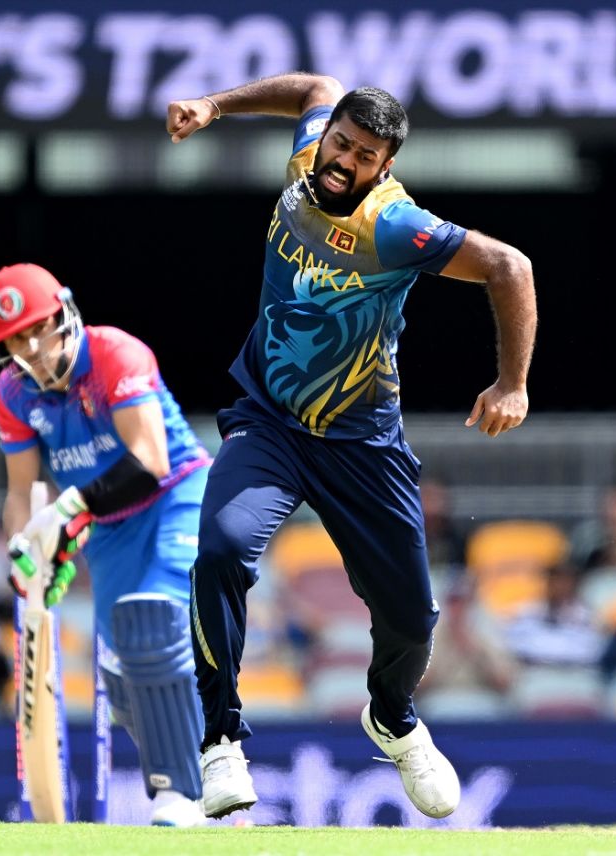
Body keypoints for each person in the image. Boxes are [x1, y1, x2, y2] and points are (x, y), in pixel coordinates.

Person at [166, 74, 537, 820]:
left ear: (385, 167)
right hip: (270, 419)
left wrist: (512, 384)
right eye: (342, 142)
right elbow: (314, 85)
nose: (345, 161)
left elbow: (511, 267)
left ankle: (392, 717)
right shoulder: (309, 150)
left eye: (366, 156)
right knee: (221, 550)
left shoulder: (395, 227)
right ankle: (220, 741)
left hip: (362, 441)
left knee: (411, 619)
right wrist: (214, 105)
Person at [0, 263, 213, 826]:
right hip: (107, 526)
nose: (32, 349)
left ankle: (182, 794)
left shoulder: (114, 354)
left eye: (39, 329)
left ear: (65, 313)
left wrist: (66, 513)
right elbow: (21, 493)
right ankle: (211, 773)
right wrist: (25, 551)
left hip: (177, 496)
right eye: (15, 340)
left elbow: (149, 463)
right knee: (121, 680)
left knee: (151, 623)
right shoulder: (12, 393)